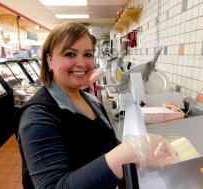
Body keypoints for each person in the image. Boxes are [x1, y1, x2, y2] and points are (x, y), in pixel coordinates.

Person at [14, 22, 178, 189]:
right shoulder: (37, 116)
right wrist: (129, 152)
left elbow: (102, 146)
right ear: (49, 60)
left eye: (88, 54)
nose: (82, 63)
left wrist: (143, 153)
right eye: (70, 54)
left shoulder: (90, 101)